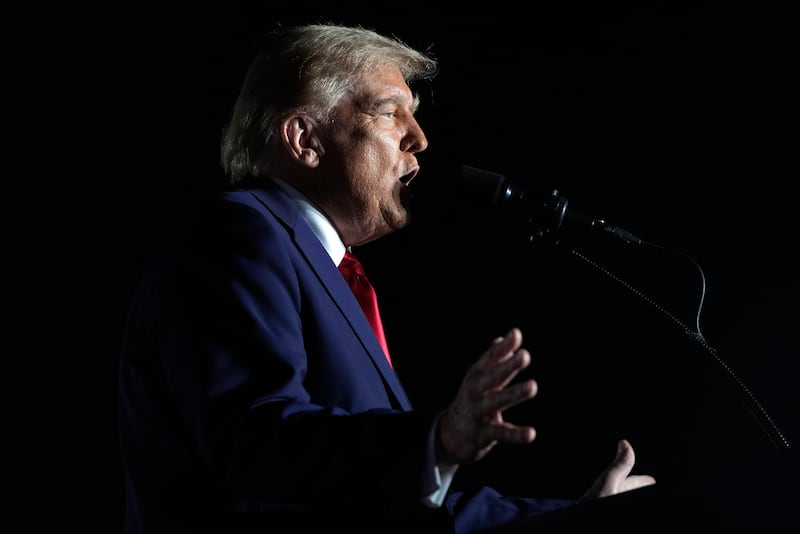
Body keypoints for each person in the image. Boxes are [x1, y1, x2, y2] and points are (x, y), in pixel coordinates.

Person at [117, 22, 656, 534]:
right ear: (305, 139)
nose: (418, 138)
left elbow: (402, 505)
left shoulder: (329, 273)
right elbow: (256, 444)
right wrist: (436, 441)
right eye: (389, 112)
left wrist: (576, 519)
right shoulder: (240, 231)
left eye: (415, 116)